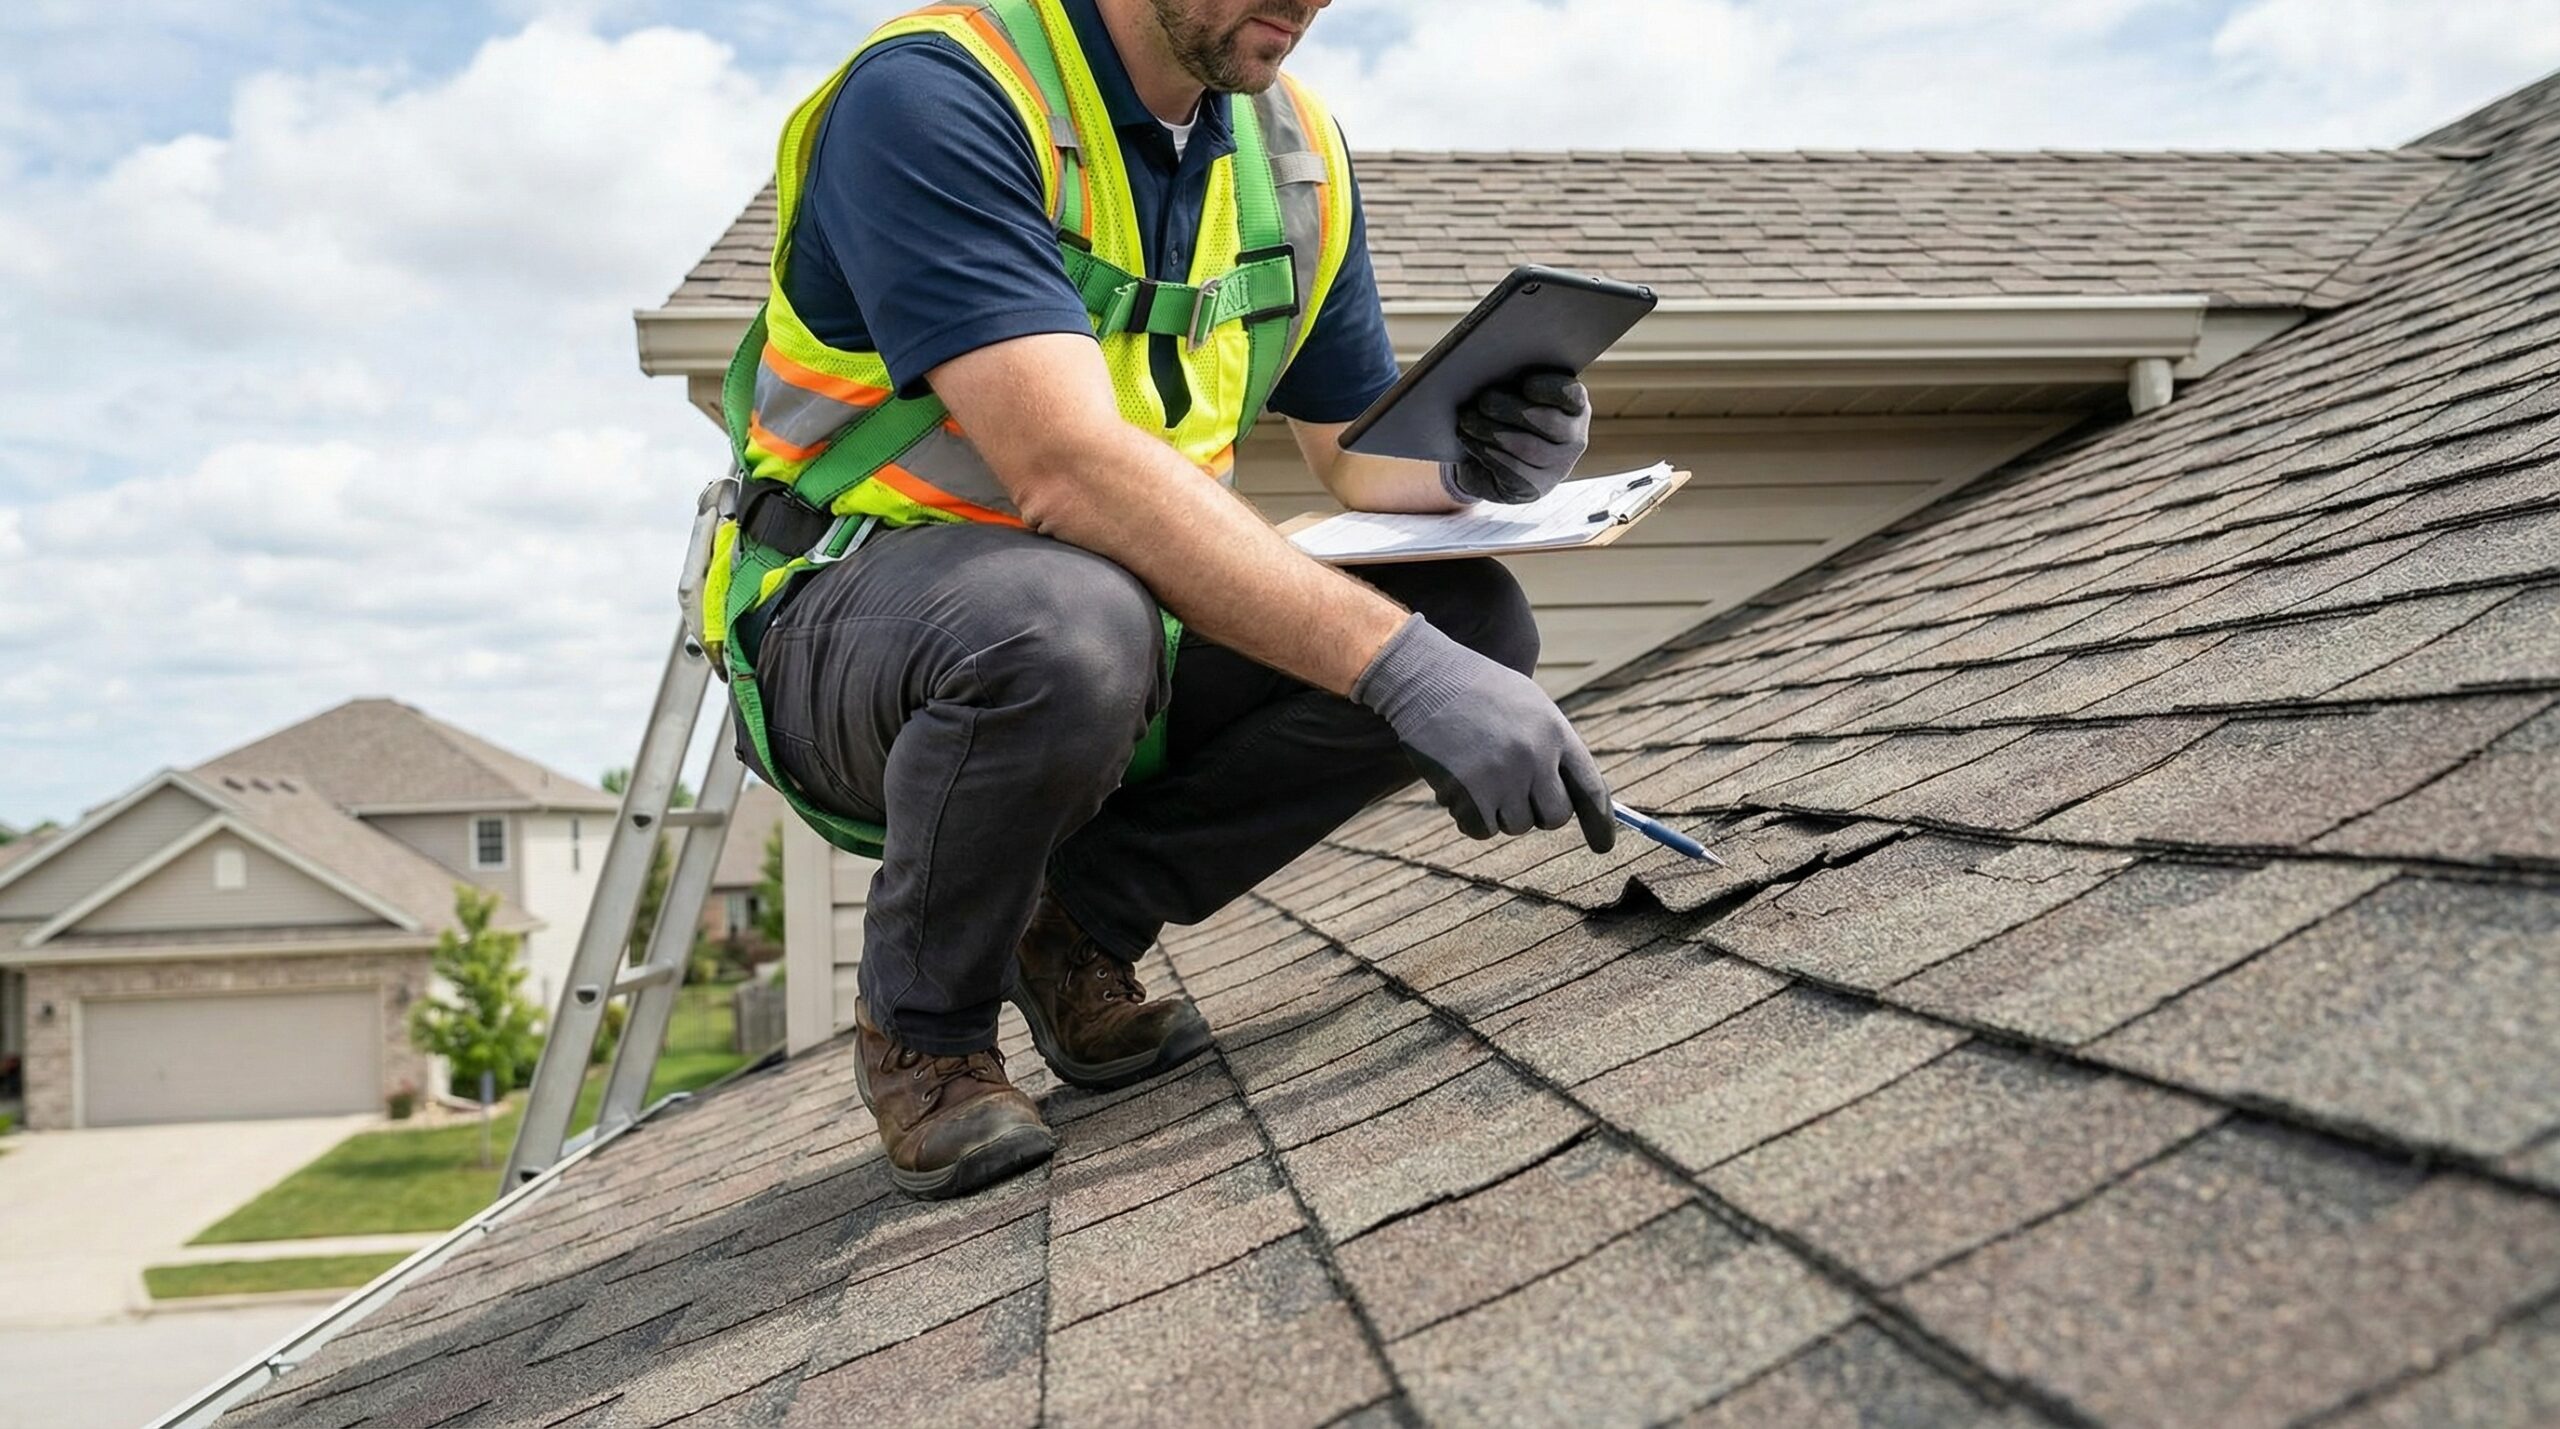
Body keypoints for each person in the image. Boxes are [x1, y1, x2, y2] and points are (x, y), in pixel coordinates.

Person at [707, 0, 1613, 1200]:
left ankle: (1074, 925)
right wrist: (1399, 671)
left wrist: (1478, 460)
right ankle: (925, 1031)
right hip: (853, 632)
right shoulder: (938, 95)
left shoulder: (1289, 157)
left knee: (1470, 620)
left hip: (1115, 618)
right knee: (1076, 629)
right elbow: (1066, 468)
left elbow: (1356, 457)